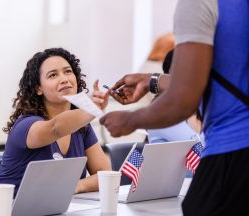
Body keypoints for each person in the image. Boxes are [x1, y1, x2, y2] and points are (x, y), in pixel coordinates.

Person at [100, 0, 249, 215]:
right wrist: (152, 81)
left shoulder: (199, 4)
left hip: (234, 152)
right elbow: (223, 75)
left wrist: (129, 120)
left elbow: (182, 99)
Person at [0, 47, 111, 195]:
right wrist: (91, 108)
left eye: (68, 71)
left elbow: (105, 174)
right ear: (38, 88)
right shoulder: (25, 126)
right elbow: (55, 128)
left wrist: (74, 185)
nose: (64, 79)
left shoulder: (82, 127)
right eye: (53, 75)